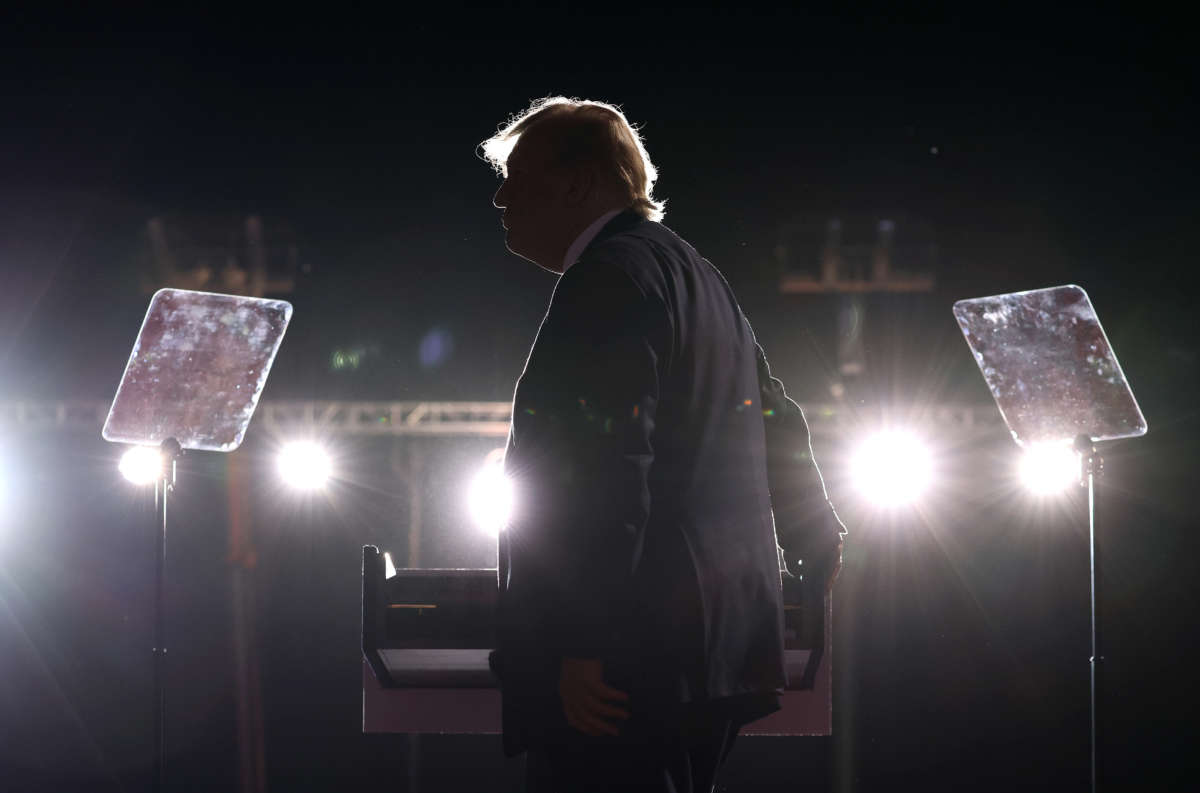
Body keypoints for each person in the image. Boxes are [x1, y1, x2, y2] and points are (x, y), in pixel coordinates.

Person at [481, 97, 845, 793]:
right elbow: (773, 416)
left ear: (579, 183)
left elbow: (604, 470)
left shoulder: (608, 278)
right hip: (709, 660)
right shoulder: (698, 276)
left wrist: (584, 640)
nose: (500, 196)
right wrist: (817, 537)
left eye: (518, 174)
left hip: (627, 666)